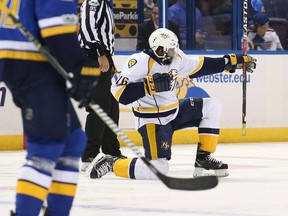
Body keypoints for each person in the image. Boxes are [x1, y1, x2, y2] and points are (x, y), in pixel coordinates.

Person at [88, 28, 257, 180]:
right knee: (159, 169)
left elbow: (201, 65)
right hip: (152, 121)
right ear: (155, 48)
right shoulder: (138, 62)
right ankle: (113, 163)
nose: (170, 54)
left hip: (174, 113)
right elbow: (120, 94)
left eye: (172, 49)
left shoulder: (176, 57)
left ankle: (203, 158)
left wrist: (229, 62)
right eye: (166, 50)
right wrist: (147, 86)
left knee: (212, 105)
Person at [0, 0, 100, 215]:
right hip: (31, 67)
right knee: (47, 145)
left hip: (21, 63)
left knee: (73, 140)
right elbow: (59, 34)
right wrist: (81, 66)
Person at [78, 0, 125, 173]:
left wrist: (110, 60)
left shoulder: (104, 3)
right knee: (99, 106)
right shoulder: (93, 1)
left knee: (111, 105)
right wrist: (100, 54)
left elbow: (102, 33)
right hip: (92, 57)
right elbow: (87, 28)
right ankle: (89, 155)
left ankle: (111, 152)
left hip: (101, 57)